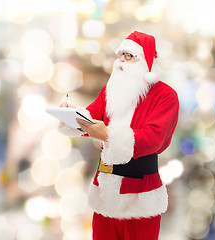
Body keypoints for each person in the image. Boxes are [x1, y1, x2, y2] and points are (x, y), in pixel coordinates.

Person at [58, 31, 179, 240]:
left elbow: (153, 138)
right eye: (120, 54)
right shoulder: (110, 91)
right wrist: (71, 116)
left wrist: (107, 134)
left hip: (140, 197)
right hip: (106, 192)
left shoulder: (165, 96)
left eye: (128, 55)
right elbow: (92, 117)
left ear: (144, 61)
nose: (120, 61)